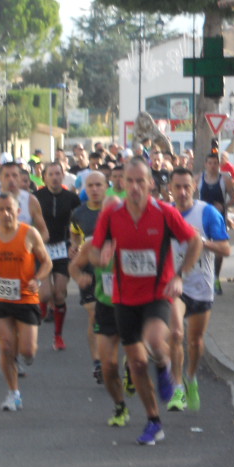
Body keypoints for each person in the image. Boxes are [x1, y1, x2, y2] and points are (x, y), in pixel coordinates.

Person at [88, 158, 202, 446]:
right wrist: (100, 256)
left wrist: (180, 275)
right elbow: (94, 249)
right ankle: (153, 422)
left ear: (151, 183)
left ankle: (164, 364)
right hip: (124, 299)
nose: (136, 187)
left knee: (154, 339)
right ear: (123, 184)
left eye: (141, 181)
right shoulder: (112, 215)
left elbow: (195, 241)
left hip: (157, 293)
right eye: (130, 181)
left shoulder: (164, 213)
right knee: (137, 365)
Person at [0, 192, 52, 411]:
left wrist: (38, 279)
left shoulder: (30, 234)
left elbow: (46, 263)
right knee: (6, 346)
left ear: (18, 212)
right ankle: (13, 393)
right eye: (1, 209)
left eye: (10, 209)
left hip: (26, 298)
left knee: (28, 351)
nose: (6, 213)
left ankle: (23, 355)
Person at [167, 167, 231, 412]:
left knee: (195, 342)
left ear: (194, 187)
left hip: (201, 285)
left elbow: (226, 250)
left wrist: (202, 242)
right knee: (176, 334)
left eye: (186, 187)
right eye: (177, 187)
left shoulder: (208, 213)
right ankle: (177, 389)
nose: (182, 192)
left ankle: (191, 377)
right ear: (170, 189)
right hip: (175, 284)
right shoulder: (165, 214)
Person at [70, 208, 130, 427]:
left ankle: (131, 368)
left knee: (138, 358)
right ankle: (120, 406)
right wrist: (80, 277)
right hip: (106, 305)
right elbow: (73, 266)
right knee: (108, 366)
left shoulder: (132, 241)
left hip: (131, 305)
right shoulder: (92, 245)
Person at [34, 162, 82, 350]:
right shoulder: (36, 197)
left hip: (63, 248)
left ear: (63, 176)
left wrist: (75, 244)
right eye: (51, 174)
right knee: (45, 294)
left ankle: (58, 336)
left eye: (58, 173)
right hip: (42, 248)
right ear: (44, 177)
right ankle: (43, 307)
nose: (54, 177)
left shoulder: (72, 198)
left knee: (60, 294)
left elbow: (77, 225)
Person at [70, 171, 109, 383]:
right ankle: (97, 361)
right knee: (94, 314)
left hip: (111, 272)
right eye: (90, 186)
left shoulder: (116, 211)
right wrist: (75, 246)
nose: (94, 189)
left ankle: (111, 357)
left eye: (98, 185)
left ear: (106, 186)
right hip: (88, 271)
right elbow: (74, 233)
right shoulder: (79, 213)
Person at [197, 152, 234, 295]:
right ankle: (204, 278)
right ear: (205, 164)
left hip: (218, 219)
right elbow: (191, 196)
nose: (213, 166)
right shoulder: (199, 179)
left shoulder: (224, 179)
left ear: (219, 165)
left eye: (215, 163)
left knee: (219, 250)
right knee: (202, 247)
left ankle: (215, 278)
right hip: (202, 218)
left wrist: (224, 206)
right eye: (210, 163)